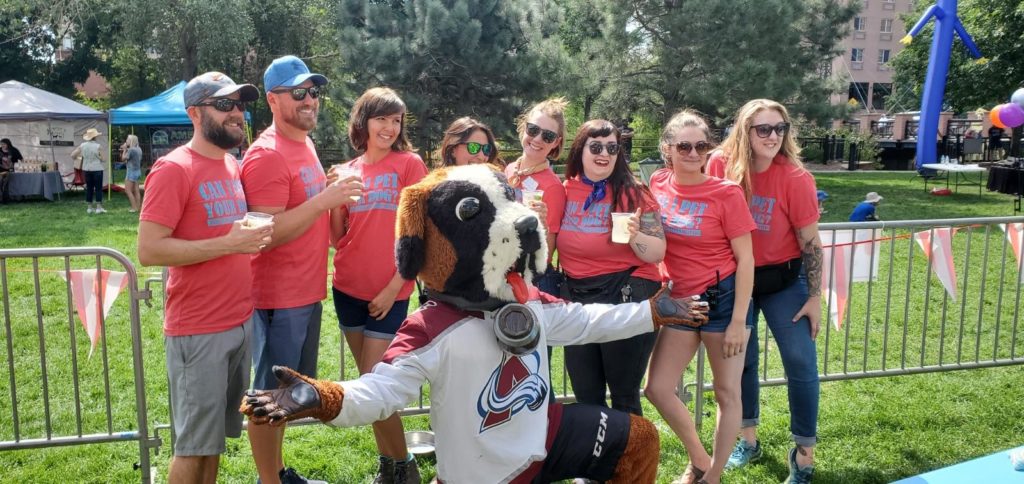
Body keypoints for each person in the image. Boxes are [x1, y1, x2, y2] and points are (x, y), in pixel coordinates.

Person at [136, 71, 268, 484]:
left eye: (240, 105)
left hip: (238, 323)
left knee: (213, 446)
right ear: (195, 113)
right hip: (198, 330)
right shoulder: (173, 168)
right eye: (224, 105)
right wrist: (229, 245)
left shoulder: (231, 164)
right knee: (192, 449)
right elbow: (149, 250)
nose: (236, 114)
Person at [241, 55, 361, 484]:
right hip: (277, 297)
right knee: (268, 398)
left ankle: (274, 473)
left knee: (287, 397)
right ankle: (269, 481)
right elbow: (265, 235)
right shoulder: (266, 155)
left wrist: (326, 193)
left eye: (313, 91)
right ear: (273, 100)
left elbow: (306, 212)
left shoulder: (304, 143)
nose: (310, 99)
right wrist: (322, 202)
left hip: (306, 292)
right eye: (298, 92)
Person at [707, 99, 823, 484]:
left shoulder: (796, 179)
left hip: (783, 280)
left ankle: (804, 455)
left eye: (780, 128)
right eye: (763, 129)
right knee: (741, 360)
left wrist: (815, 297)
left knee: (801, 362)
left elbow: (811, 244)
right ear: (745, 131)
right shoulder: (720, 166)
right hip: (734, 279)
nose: (773, 136)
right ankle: (748, 440)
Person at [645, 110, 755, 484]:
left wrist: (739, 321)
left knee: (726, 392)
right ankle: (700, 459)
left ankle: (713, 477)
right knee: (657, 388)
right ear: (668, 149)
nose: (693, 153)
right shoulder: (658, 182)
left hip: (722, 300)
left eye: (701, 145)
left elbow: (746, 259)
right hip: (680, 300)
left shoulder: (726, 193)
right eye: (684, 146)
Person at [330, 87, 427, 484]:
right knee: (370, 385)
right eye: (381, 119)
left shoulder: (409, 165)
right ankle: (390, 465)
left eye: (395, 120)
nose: (389, 127)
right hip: (347, 289)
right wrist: (333, 196)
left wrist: (393, 289)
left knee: (374, 382)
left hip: (392, 293)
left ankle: (403, 466)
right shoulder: (348, 169)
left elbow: (419, 236)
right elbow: (338, 237)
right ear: (363, 122)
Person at [557, 119, 665, 420]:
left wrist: (635, 236)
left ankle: (633, 465)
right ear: (580, 150)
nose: (604, 153)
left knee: (623, 395)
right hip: (577, 300)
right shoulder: (566, 191)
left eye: (612, 147)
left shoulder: (633, 192)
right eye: (596, 146)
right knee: (586, 393)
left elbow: (657, 251)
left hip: (627, 294)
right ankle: (597, 465)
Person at [504, 98, 569, 295]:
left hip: (531, 279)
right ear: (524, 128)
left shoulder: (553, 187)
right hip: (500, 270)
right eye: (533, 130)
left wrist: (542, 226)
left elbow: (547, 254)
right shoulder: (508, 170)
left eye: (548, 136)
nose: (538, 139)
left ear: (556, 142)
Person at [434, 116, 499, 167]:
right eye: (473, 147)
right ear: (453, 150)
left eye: (486, 149)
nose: (481, 157)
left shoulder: (496, 183)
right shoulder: (435, 183)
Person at [71, 128, 107, 213]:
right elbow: (104, 159)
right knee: (98, 188)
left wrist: (80, 157)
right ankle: (98, 207)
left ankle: (89, 208)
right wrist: (98, 157)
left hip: (86, 169)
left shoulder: (82, 145)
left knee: (89, 188)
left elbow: (72, 155)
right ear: (95, 137)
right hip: (97, 168)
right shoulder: (98, 146)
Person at [121, 135, 144, 212]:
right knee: (136, 190)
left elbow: (123, 158)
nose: (126, 141)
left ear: (131, 141)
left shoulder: (131, 150)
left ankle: (134, 208)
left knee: (128, 190)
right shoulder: (139, 149)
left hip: (131, 172)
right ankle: (138, 207)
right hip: (138, 171)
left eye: (127, 139)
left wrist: (124, 149)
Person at [0, 138, 22, 203]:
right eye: (1, 144)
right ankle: (3, 198)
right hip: (0, 170)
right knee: (1, 181)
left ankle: (5, 198)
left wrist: (18, 166)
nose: (2, 145)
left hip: (10, 170)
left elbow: (21, 159)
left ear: (8, 144)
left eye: (4, 144)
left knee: (5, 183)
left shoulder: (13, 150)